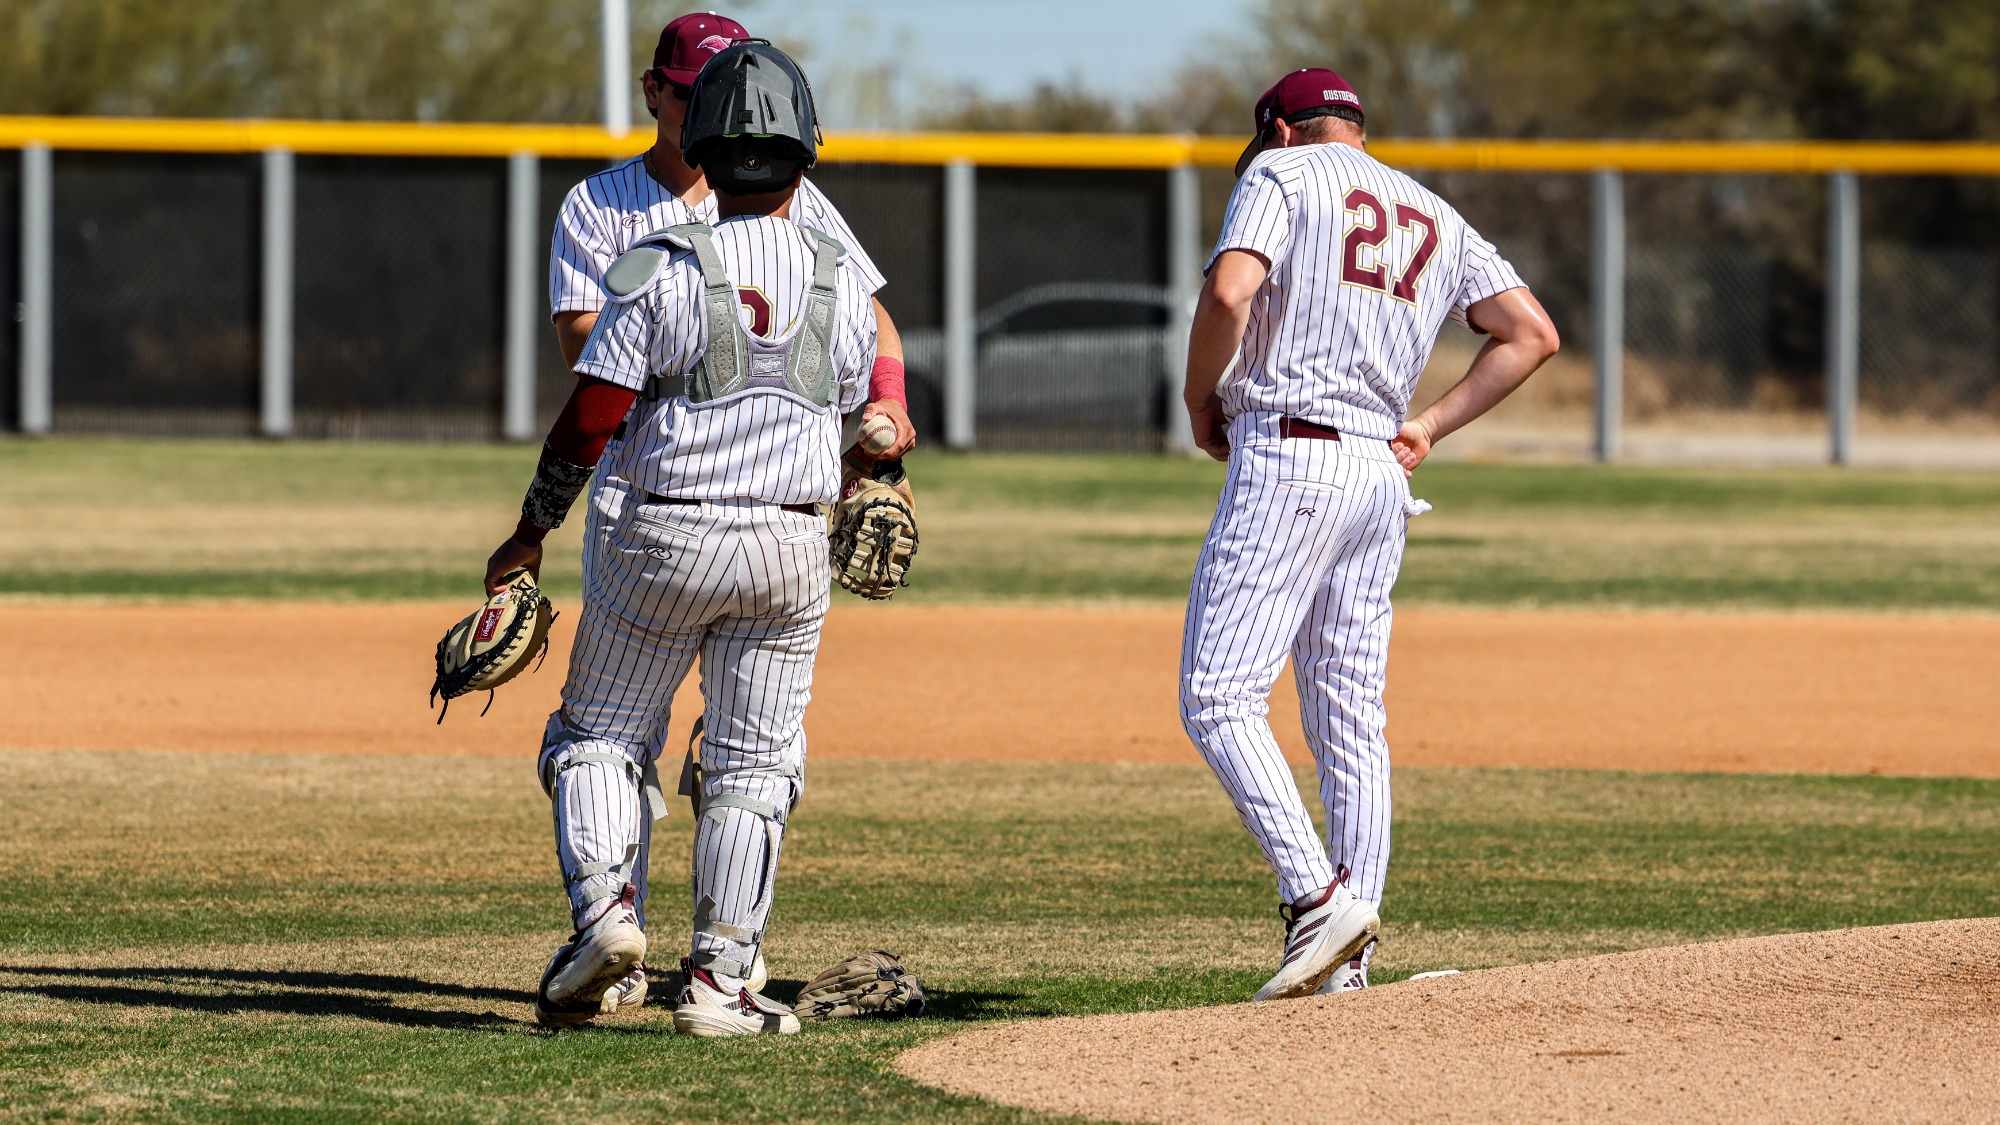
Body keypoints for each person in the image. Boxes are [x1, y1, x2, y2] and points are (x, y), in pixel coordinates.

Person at [490, 41, 880, 1035]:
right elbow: (853, 405)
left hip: (660, 531)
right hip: (788, 547)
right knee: (753, 765)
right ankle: (719, 985)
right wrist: (884, 465)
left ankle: (608, 920)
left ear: (701, 138)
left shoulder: (663, 264)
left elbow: (591, 417)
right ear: (805, 150)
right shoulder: (836, 273)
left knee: (599, 736)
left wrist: (529, 533)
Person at [1179, 68, 1560, 999]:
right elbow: (1531, 333)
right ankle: (1349, 968)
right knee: (1348, 712)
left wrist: (1199, 399)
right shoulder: (1428, 207)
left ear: (1280, 128)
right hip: (1380, 474)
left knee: (1218, 696)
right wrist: (1428, 424)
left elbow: (1232, 292)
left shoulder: (1281, 174)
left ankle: (1316, 899)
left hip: (1293, 455)